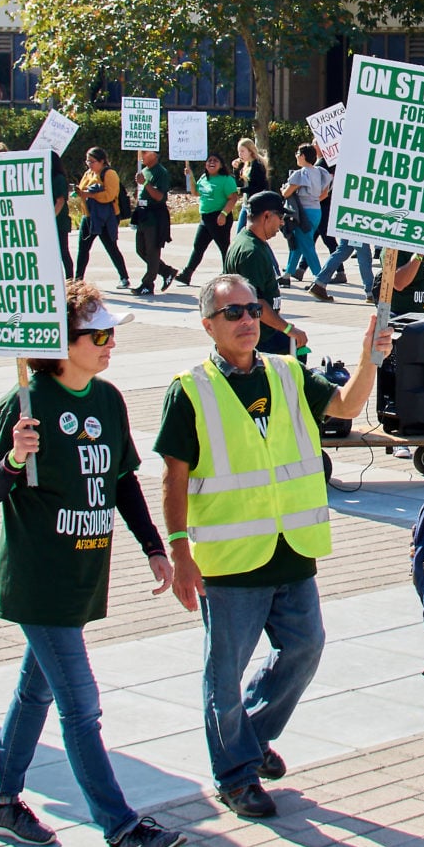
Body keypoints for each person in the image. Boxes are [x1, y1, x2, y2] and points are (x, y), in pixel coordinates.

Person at [155, 276, 390, 819]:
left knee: (305, 648)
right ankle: (234, 775)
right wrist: (178, 551)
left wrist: (368, 356)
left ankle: (251, 738)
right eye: (231, 312)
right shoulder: (190, 388)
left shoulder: (287, 373)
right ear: (208, 325)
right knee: (224, 674)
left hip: (292, 549)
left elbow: (348, 405)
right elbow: (173, 477)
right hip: (230, 561)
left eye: (252, 309)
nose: (245, 319)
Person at [0, 281, 188, 847]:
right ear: (59, 343)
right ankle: (120, 830)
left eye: (112, 334)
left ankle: (0, 800)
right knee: (80, 705)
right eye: (98, 336)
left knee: (35, 691)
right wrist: (15, 457)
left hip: (83, 575)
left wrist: (155, 546)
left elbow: (122, 479)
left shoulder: (108, 399)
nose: (110, 344)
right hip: (38, 581)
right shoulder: (22, 405)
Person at [223, 192, 305, 358]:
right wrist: (287, 329)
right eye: (280, 216)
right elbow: (256, 302)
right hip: (258, 338)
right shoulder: (251, 252)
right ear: (267, 215)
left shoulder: (248, 241)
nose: (282, 223)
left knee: (298, 348)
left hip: (262, 332)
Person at [177, 153, 240, 285]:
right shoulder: (204, 178)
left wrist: (223, 214)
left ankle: (229, 273)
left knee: (224, 247)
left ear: (221, 164)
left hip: (219, 217)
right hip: (205, 218)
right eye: (209, 160)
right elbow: (195, 193)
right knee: (198, 246)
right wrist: (190, 176)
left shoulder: (226, 179)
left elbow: (233, 198)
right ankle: (187, 274)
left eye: (215, 160)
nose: (211, 162)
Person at [74, 147, 131, 288]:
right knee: (83, 249)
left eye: (92, 161)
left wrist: (90, 195)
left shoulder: (109, 174)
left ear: (102, 161)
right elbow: (82, 191)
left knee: (111, 247)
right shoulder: (88, 173)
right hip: (89, 217)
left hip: (106, 217)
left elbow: (110, 196)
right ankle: (78, 280)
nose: (89, 164)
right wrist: (79, 193)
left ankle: (124, 278)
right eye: (87, 161)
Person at [280, 144, 331, 285]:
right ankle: (287, 275)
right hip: (316, 211)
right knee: (299, 242)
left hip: (302, 214)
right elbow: (325, 194)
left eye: (298, 153)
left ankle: (319, 279)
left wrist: (283, 189)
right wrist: (313, 199)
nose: (296, 155)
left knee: (307, 245)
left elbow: (286, 193)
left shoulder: (300, 174)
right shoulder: (321, 172)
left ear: (303, 156)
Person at [130, 150, 177, 297]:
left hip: (155, 216)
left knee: (152, 251)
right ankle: (166, 271)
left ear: (155, 154)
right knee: (141, 249)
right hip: (143, 214)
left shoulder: (160, 172)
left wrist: (145, 183)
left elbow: (160, 196)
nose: (141, 155)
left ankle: (148, 284)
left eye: (144, 152)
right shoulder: (144, 170)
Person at [233, 138, 268, 232]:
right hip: (246, 203)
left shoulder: (257, 165)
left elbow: (258, 187)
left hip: (255, 204)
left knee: (252, 232)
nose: (240, 154)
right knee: (241, 232)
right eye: (239, 151)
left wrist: (240, 190)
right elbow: (241, 182)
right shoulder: (247, 165)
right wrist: (236, 169)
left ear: (250, 151)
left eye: (242, 151)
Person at [50, 151, 75, 280]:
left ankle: (70, 279)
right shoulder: (46, 177)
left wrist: (50, 218)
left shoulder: (58, 178)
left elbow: (60, 201)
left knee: (63, 252)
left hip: (59, 221)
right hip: (52, 221)